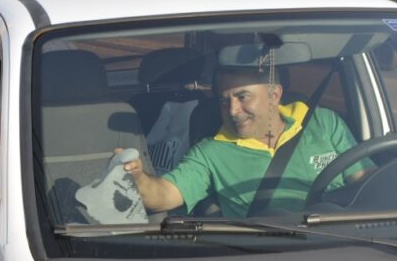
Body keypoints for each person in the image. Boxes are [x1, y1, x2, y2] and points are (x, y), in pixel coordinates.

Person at [124, 64, 369, 217]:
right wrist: (138, 178)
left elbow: (365, 181)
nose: (232, 110)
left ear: (274, 95)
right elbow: (165, 195)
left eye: (243, 97)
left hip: (342, 240)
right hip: (265, 257)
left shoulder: (323, 122)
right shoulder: (210, 152)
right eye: (224, 100)